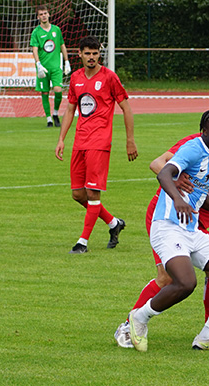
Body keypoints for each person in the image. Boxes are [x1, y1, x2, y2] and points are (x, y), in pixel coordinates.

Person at [115, 101, 209, 348]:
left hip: (191, 220)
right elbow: (158, 165)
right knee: (168, 278)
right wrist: (177, 179)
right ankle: (128, 325)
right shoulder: (194, 144)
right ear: (208, 127)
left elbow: (205, 198)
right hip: (165, 214)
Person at [55, 36, 138, 254]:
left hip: (100, 142)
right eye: (87, 53)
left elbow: (126, 108)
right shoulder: (75, 78)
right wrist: (62, 138)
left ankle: (82, 242)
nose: (91, 57)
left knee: (93, 194)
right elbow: (71, 108)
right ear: (80, 54)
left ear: (99, 54)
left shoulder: (109, 77)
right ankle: (113, 223)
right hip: (80, 141)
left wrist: (130, 140)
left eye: (95, 53)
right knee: (78, 194)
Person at [30, 4, 71, 128]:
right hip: (43, 68)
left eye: (45, 13)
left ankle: (55, 113)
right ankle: (48, 118)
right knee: (45, 93)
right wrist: (38, 64)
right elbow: (35, 49)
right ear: (38, 17)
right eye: (41, 14)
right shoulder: (36, 32)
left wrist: (66, 61)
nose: (43, 16)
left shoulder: (56, 30)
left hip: (55, 67)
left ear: (49, 14)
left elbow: (62, 45)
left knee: (58, 90)